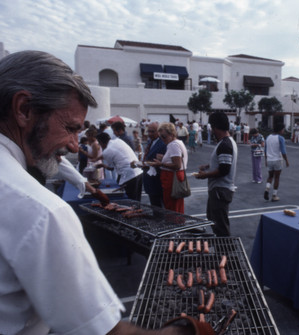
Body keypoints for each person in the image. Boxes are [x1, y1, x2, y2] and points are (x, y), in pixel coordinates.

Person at [0, 50, 203, 334]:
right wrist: (184, 330)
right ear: (23, 109)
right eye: (70, 128)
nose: (74, 145)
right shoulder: (42, 213)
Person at [195, 112, 238, 237]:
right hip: (220, 190)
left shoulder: (225, 144)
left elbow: (224, 169)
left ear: (214, 127)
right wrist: (208, 165)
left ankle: (226, 254)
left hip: (220, 190)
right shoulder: (227, 141)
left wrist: (205, 175)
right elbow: (224, 162)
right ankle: (224, 251)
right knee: (214, 219)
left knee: (220, 226)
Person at [96, 132, 143, 201]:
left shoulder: (107, 151)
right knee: (137, 200)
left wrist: (102, 165)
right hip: (139, 172)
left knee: (131, 201)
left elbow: (111, 168)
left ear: (101, 142)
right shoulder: (118, 141)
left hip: (129, 176)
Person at [153, 122, 188, 213]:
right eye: (160, 137)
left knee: (171, 206)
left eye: (164, 136)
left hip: (171, 177)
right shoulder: (178, 142)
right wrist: (164, 158)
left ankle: (175, 224)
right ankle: (178, 223)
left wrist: (161, 164)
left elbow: (177, 165)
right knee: (176, 206)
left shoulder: (173, 145)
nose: (162, 139)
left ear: (172, 134)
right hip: (176, 176)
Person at [132, 121, 166, 208]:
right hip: (149, 179)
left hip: (157, 181)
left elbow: (164, 162)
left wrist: (148, 164)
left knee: (159, 206)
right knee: (154, 205)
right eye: (149, 131)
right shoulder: (151, 141)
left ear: (159, 131)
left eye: (152, 131)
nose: (150, 134)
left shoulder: (163, 144)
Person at [264, 122, 290, 202]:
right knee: (277, 177)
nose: (283, 131)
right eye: (283, 130)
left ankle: (267, 189)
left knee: (270, 176)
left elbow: (265, 150)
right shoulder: (280, 138)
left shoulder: (268, 137)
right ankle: (274, 195)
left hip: (269, 159)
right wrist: (287, 161)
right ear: (280, 130)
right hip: (277, 159)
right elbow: (283, 151)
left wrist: (266, 160)